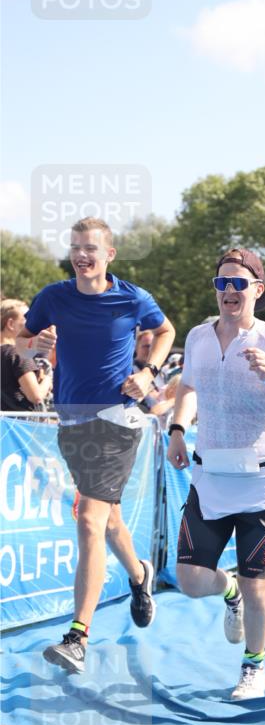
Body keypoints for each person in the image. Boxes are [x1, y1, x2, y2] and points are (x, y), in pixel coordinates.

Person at [20, 217, 175, 674]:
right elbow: (22, 342)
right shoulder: (53, 297)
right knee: (109, 521)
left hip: (117, 420)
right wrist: (37, 343)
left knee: (90, 519)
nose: (81, 255)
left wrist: (148, 372)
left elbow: (165, 331)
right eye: (75, 247)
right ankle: (140, 574)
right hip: (72, 422)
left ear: (109, 255)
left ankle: (77, 637)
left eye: (90, 248)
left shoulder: (132, 297)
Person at [167, 248, 265, 700]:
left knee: (257, 580)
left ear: (257, 290)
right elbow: (188, 387)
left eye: (238, 283)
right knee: (190, 580)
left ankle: (254, 667)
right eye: (221, 283)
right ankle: (228, 591)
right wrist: (177, 430)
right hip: (209, 478)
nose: (228, 291)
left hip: (262, 483)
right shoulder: (198, 336)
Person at [1, 299, 52, 411]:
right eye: (27, 319)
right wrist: (48, 377)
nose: (32, 323)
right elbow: (36, 396)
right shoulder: (17, 353)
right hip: (19, 420)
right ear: (10, 324)